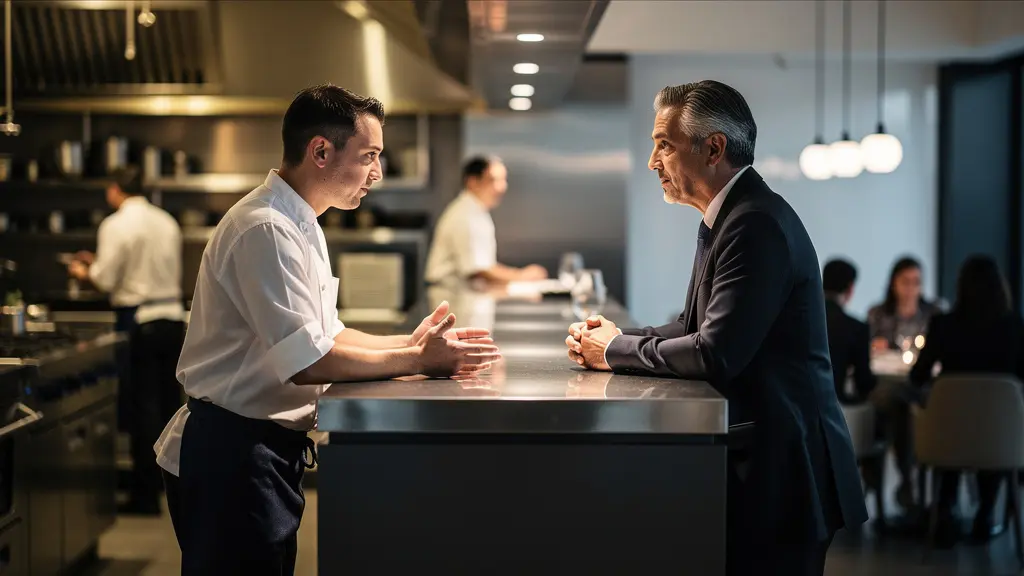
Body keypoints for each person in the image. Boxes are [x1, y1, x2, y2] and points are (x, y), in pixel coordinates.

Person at [153, 84, 501, 574]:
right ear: (320, 150)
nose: (377, 173)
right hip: (232, 452)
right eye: (370, 156)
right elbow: (308, 362)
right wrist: (420, 360)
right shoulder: (266, 228)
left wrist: (413, 342)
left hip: (259, 451)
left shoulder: (302, 222)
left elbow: (326, 333)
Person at [564, 81, 867, 575]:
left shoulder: (754, 223)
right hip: (775, 460)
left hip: (787, 470)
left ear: (714, 148)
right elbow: (692, 324)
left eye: (663, 144)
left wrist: (615, 349)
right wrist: (618, 338)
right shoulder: (732, 215)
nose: (651, 161)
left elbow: (715, 352)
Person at [67, 166, 186, 516]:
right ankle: (171, 488)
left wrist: (83, 271)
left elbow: (105, 280)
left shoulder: (115, 224)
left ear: (114, 190)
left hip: (140, 321)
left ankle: (144, 497)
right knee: (169, 409)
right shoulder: (166, 221)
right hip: (172, 319)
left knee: (142, 410)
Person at [910, 255, 1024, 547]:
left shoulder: (943, 325)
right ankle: (986, 514)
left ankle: (944, 510)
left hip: (947, 435)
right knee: (993, 427)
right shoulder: (1016, 327)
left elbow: (918, 376)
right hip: (1000, 437)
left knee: (952, 423)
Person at [424, 156, 548, 284]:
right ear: (472, 182)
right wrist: (521, 276)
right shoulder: (464, 215)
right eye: (493, 180)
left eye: (503, 180)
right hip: (450, 294)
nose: (502, 187)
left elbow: (483, 265)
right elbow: (478, 270)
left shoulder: (476, 211)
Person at [822, 259, 875, 404]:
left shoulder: (802, 319)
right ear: (851, 288)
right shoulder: (856, 328)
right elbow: (863, 383)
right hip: (836, 407)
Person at [867, 256, 941, 352]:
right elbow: (865, 345)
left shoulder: (934, 314)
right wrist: (874, 345)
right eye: (905, 282)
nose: (910, 288)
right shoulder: (877, 314)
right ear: (894, 283)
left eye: (916, 282)